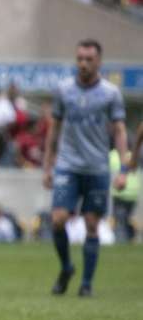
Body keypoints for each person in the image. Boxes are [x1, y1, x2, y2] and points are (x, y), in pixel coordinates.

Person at [43, 39, 127, 297]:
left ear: (99, 62)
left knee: (92, 224)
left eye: (89, 59)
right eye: (80, 58)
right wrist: (48, 165)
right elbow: (54, 128)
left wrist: (123, 169)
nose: (83, 64)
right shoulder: (64, 90)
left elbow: (120, 130)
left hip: (97, 167)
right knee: (58, 220)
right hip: (68, 165)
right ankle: (67, 267)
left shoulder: (111, 93)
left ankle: (87, 284)